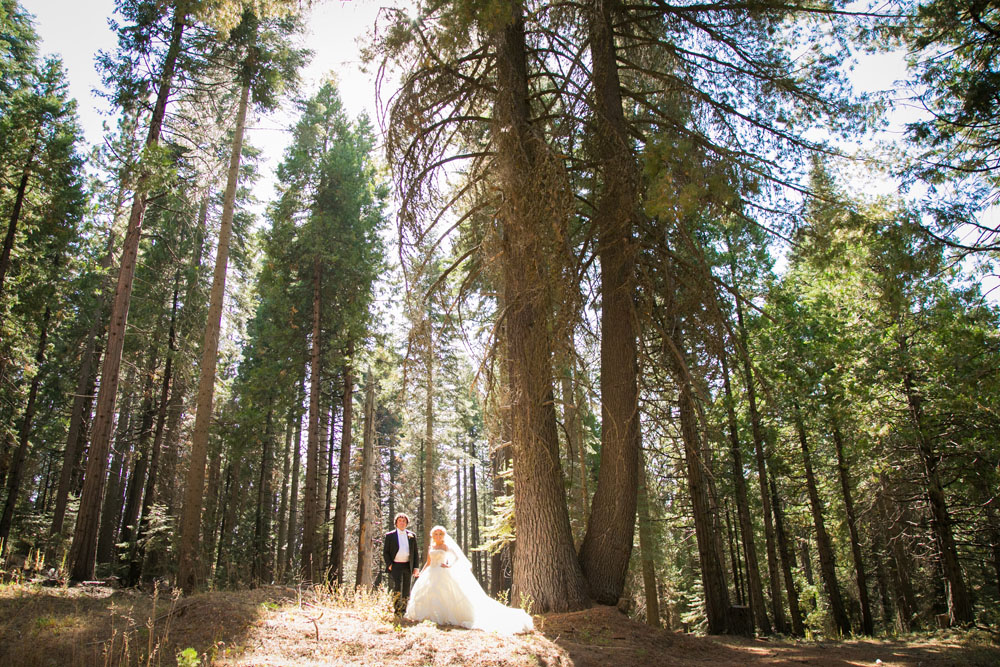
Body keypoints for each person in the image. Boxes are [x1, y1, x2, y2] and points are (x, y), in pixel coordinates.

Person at [405, 525, 533, 634]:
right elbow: (428, 562)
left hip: (443, 572)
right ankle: (429, 617)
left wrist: (448, 565)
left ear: (443, 535)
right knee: (428, 594)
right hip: (430, 573)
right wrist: (421, 573)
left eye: (440, 534)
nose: (438, 536)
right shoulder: (431, 547)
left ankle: (443, 617)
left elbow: (456, 558)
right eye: (436, 534)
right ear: (432, 535)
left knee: (445, 595)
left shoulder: (445, 546)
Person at [383, 513, 419, 615]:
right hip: (396, 565)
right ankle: (397, 610)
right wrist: (389, 564)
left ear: (407, 523)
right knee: (398, 587)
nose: (402, 523)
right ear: (396, 523)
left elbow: (415, 553)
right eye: (400, 521)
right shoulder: (390, 536)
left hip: (408, 565)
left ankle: (405, 610)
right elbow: (385, 552)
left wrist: (416, 567)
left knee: (407, 588)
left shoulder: (411, 536)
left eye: (404, 521)